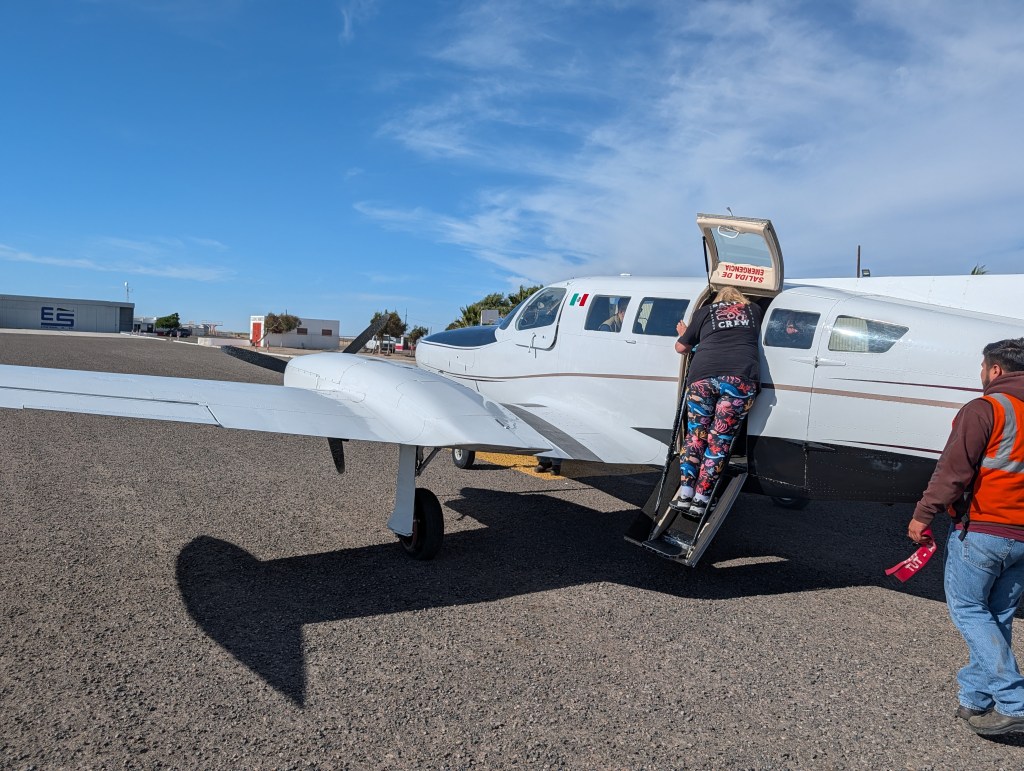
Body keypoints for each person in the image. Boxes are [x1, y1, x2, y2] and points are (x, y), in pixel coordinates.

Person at [907, 337, 1024, 735]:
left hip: (984, 530)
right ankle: (975, 699)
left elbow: (953, 470)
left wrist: (924, 514)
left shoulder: (986, 408)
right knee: (996, 616)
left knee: (969, 610)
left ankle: (1015, 702)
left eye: (982, 368)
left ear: (996, 370)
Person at [669, 286, 762, 519]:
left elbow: (681, 348)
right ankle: (701, 500)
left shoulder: (705, 312)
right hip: (739, 378)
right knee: (719, 441)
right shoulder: (754, 310)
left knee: (695, 436)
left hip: (703, 377)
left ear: (718, 299)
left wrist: (686, 334)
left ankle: (685, 494)